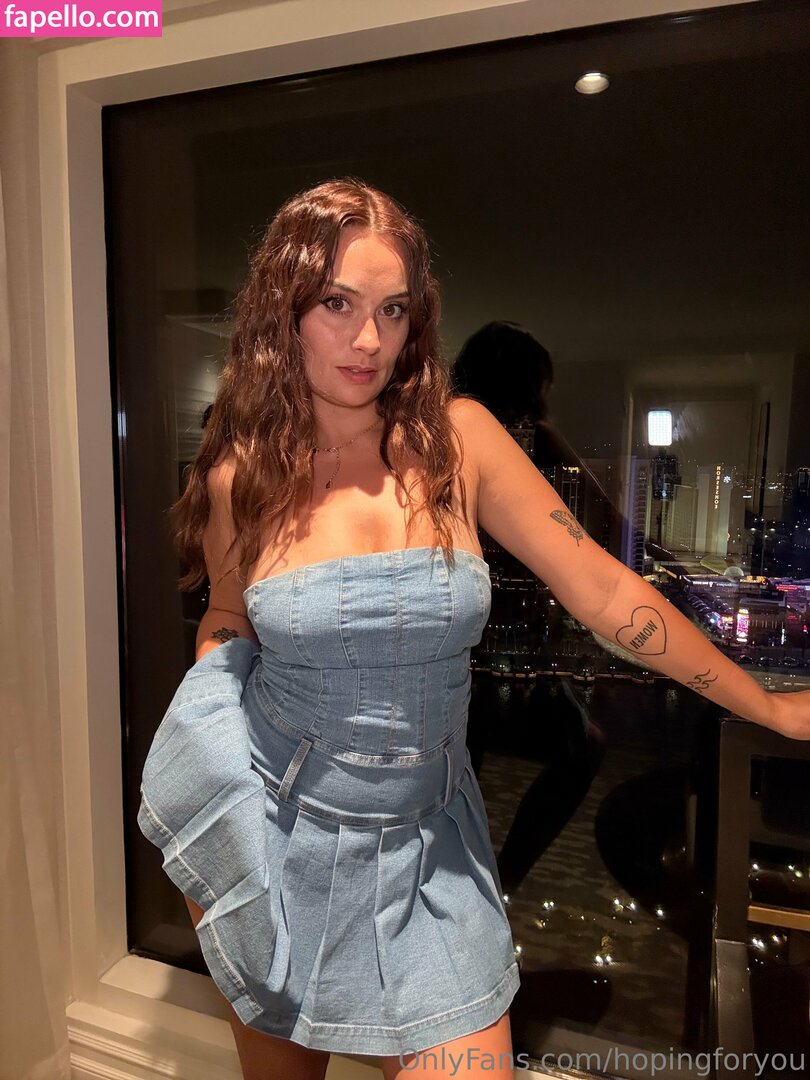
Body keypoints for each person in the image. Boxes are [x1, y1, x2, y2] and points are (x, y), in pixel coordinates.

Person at [138, 178, 810, 1080]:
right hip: (278, 832)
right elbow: (228, 620)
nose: (369, 340)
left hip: (430, 849)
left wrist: (764, 703)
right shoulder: (241, 475)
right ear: (282, 311)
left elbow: (603, 589)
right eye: (337, 304)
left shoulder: (458, 440)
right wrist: (216, 764)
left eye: (392, 310)